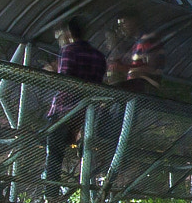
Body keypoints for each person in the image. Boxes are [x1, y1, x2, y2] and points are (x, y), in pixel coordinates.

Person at [43, 19, 106, 190]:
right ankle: (89, 193)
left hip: (64, 111)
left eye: (60, 36)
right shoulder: (99, 56)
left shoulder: (68, 51)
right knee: (87, 156)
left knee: (54, 155)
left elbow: (65, 80)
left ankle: (51, 196)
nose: (60, 40)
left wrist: (51, 73)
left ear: (68, 34)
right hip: (87, 113)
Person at [112, 14, 166, 95]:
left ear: (134, 21)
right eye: (119, 25)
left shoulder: (148, 41)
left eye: (123, 23)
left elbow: (154, 69)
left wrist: (125, 69)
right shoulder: (136, 44)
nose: (121, 28)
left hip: (143, 91)